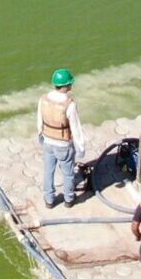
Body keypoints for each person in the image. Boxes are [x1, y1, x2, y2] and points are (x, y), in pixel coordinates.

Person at [38, 68, 83, 209]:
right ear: (67, 85)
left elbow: (39, 120)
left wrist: (41, 135)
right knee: (68, 173)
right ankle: (69, 199)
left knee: (48, 171)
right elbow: (76, 128)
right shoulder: (69, 104)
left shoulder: (44, 99)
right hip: (63, 144)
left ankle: (49, 200)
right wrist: (80, 148)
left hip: (47, 141)